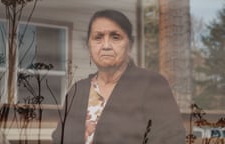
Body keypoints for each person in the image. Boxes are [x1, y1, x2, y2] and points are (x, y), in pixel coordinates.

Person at [52, 9, 186, 144]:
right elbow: (59, 139)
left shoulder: (151, 84)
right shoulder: (77, 90)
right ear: (89, 45)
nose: (106, 46)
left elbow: (171, 139)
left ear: (130, 44)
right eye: (98, 37)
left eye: (115, 37)